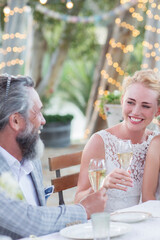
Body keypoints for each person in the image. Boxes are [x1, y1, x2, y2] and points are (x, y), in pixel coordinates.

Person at [0, 74, 107, 239]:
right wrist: (84, 209)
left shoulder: (31, 158)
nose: (43, 121)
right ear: (15, 121)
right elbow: (30, 221)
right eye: (37, 113)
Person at [75, 70, 160, 212]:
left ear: (159, 110)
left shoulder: (157, 142)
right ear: (122, 100)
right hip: (110, 226)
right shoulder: (99, 142)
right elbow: (78, 201)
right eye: (130, 102)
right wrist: (102, 184)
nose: (136, 111)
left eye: (145, 106)